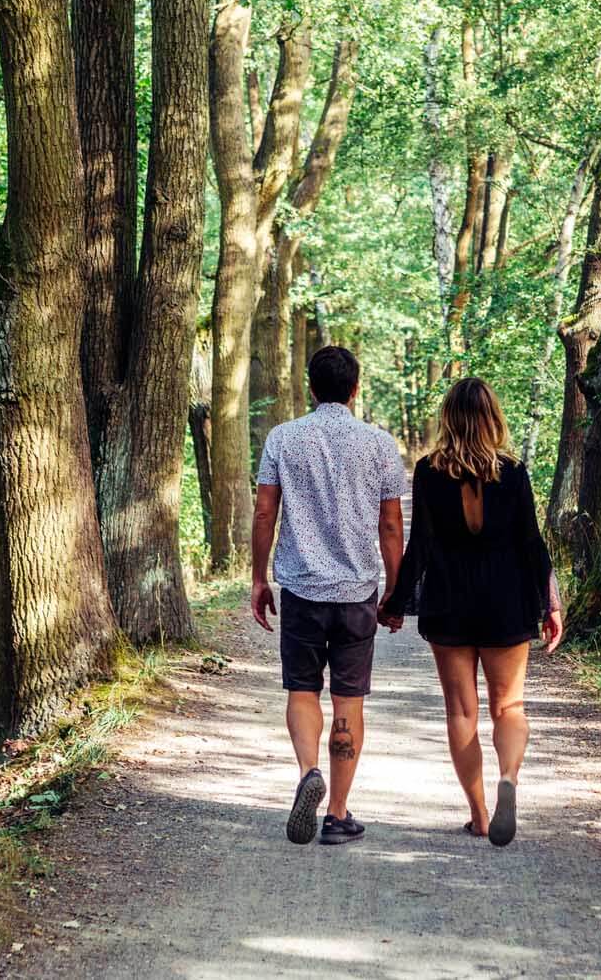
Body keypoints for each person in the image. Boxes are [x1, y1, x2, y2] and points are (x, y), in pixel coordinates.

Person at [380, 377, 563, 847]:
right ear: (492, 418)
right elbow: (530, 543)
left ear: (449, 419)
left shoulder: (428, 471)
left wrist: (397, 602)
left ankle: (480, 815)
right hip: (506, 601)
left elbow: (420, 544)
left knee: (461, 711)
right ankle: (509, 779)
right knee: (510, 706)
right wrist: (550, 601)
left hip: (450, 602)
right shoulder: (514, 472)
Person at [252, 346, 407, 846]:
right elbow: (389, 524)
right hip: (357, 592)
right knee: (348, 700)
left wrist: (258, 579)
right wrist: (396, 591)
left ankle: (307, 772)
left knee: (302, 688)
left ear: (311, 388)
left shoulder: (283, 438)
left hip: (301, 587)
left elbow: (263, 514)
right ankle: (337, 814)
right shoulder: (380, 445)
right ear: (356, 389)